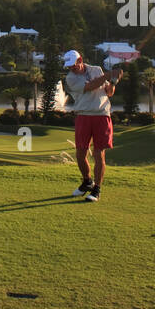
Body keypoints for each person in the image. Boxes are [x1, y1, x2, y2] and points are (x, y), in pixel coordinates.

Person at [62, 49, 123, 202]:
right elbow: (90, 86)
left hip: (101, 115)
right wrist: (109, 75)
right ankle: (87, 181)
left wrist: (114, 81)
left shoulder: (96, 70)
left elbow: (109, 92)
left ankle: (96, 189)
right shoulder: (70, 78)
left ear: (80, 60)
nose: (71, 68)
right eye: (69, 66)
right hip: (83, 115)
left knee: (98, 153)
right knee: (80, 154)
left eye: (73, 65)